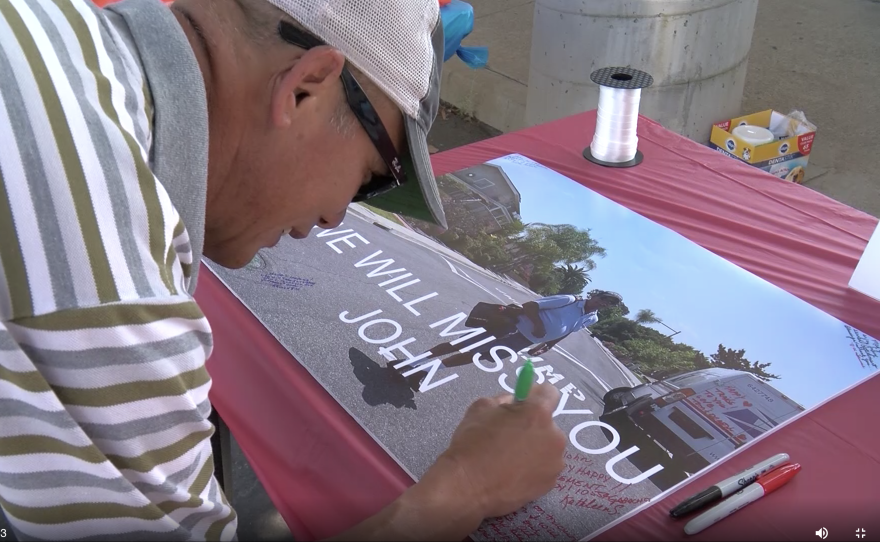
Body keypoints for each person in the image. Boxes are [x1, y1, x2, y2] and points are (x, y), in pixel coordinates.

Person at [0, 0, 567, 540]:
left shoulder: (50, 36)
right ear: (304, 88)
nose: (338, 216)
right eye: (376, 175)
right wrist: (466, 489)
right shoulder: (106, 255)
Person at [397, 291, 624, 390]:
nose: (602, 304)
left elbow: (567, 330)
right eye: (603, 299)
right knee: (461, 345)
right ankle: (413, 362)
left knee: (475, 357)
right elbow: (531, 306)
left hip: (522, 342)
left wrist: (548, 344)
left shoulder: (592, 317)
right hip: (510, 328)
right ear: (596, 294)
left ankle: (425, 370)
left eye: (608, 305)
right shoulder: (569, 299)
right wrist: (537, 325)